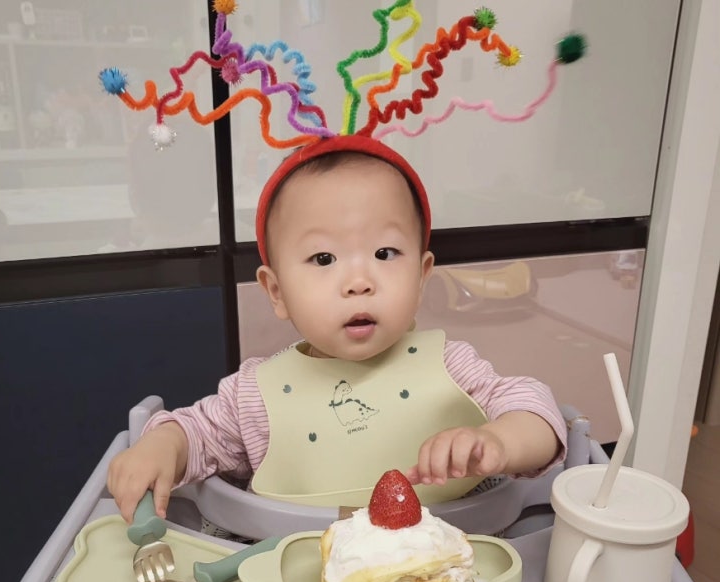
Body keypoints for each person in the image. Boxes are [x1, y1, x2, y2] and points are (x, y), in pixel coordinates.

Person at [108, 135, 567, 524]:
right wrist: (163, 445)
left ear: (422, 276)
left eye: (385, 253)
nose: (359, 282)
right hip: (293, 573)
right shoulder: (255, 396)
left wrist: (499, 441)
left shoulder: (451, 368)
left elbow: (536, 411)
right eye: (323, 258)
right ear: (276, 291)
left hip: (445, 570)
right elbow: (198, 434)